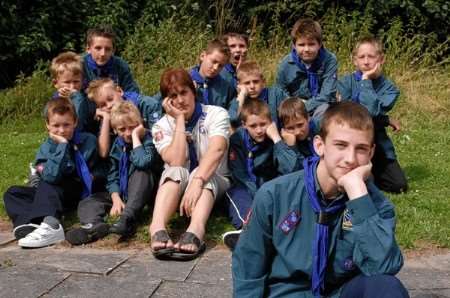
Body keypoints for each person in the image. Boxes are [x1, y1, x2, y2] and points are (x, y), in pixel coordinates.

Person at [232, 101, 408, 298]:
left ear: (371, 153)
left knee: (387, 287)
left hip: (340, 292)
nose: (350, 158)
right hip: (289, 294)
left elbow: (384, 266)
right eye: (340, 145)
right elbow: (249, 266)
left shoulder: (374, 203)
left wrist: (358, 195)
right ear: (319, 145)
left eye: (361, 149)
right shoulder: (274, 195)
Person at [149, 68, 231, 260]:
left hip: (215, 179)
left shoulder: (216, 114)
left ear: (193, 91)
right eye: (173, 96)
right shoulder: (161, 125)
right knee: (175, 170)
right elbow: (176, 161)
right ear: (166, 101)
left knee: (200, 174)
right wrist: (179, 121)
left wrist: (198, 180)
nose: (180, 100)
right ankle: (157, 227)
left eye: (184, 92)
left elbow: (217, 150)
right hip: (180, 185)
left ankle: (195, 230)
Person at [3, 98, 99, 248]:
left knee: (49, 182)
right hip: (51, 192)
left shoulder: (88, 141)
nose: (61, 130)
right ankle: (29, 224)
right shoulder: (45, 148)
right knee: (13, 192)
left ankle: (51, 225)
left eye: (66, 125)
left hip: (75, 188)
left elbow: (53, 176)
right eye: (56, 125)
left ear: (75, 122)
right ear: (47, 125)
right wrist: (61, 146)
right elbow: (49, 173)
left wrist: (62, 146)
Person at [66, 102, 158, 244]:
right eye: (122, 129)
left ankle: (127, 219)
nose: (128, 132)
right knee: (89, 201)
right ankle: (93, 225)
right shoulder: (117, 145)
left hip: (143, 192)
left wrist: (135, 138)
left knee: (143, 173)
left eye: (132, 127)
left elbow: (143, 162)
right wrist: (115, 198)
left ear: (140, 124)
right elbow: (112, 174)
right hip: (123, 191)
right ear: (115, 130)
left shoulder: (149, 140)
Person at [223, 99, 297, 249]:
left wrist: (277, 140)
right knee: (236, 194)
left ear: (271, 122)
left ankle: (259, 237)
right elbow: (240, 174)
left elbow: (292, 170)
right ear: (244, 125)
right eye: (253, 126)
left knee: (287, 200)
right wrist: (259, 199)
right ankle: (250, 231)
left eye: (263, 124)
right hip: (245, 186)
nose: (259, 130)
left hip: (269, 187)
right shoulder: (238, 139)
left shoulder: (276, 138)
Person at [337, 35, 407, 193]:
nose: (366, 61)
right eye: (361, 57)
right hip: (351, 142)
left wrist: (366, 80)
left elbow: (372, 111)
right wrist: (385, 119)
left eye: (371, 56)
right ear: (355, 60)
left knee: (398, 185)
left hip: (378, 142)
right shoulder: (345, 83)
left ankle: (372, 171)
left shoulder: (390, 89)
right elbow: (346, 113)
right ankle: (363, 174)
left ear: (381, 59)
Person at [86, 78, 162, 159]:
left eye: (110, 99)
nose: (109, 106)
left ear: (119, 91)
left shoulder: (147, 105)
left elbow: (159, 138)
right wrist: (106, 119)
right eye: (103, 105)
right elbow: (103, 153)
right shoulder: (107, 116)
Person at [276, 18, 337, 116]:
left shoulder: (329, 60)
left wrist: (305, 107)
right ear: (294, 46)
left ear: (320, 44)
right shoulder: (286, 64)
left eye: (311, 44)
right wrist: (295, 106)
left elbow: (327, 95)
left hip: (320, 105)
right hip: (293, 108)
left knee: (325, 111)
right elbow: (280, 92)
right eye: (301, 45)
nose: (306, 49)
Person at [228, 61, 288, 126]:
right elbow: (232, 119)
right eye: (247, 83)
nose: (252, 86)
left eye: (256, 82)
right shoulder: (239, 101)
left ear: (263, 82)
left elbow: (292, 111)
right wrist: (242, 94)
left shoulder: (275, 94)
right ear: (239, 85)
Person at [83, 25, 139, 93]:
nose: (103, 54)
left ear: (113, 51)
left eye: (108, 49)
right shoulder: (79, 65)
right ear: (88, 49)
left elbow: (132, 92)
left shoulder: (121, 66)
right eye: (98, 48)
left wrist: (123, 96)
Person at [50, 51, 94, 133]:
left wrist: (77, 97)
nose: (72, 87)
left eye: (76, 81)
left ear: (83, 81)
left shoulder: (87, 97)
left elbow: (79, 123)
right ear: (55, 83)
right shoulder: (55, 100)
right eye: (67, 82)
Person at [189, 38, 236, 109]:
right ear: (202, 56)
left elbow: (232, 113)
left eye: (220, 65)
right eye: (214, 61)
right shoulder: (185, 80)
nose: (215, 68)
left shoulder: (226, 85)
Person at [278, 97, 319, 170]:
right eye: (290, 128)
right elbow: (300, 170)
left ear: (308, 118)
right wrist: (292, 147)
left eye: (300, 125)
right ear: (283, 128)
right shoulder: (285, 143)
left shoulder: (320, 128)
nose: (297, 132)